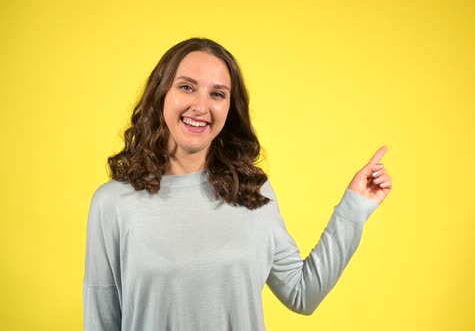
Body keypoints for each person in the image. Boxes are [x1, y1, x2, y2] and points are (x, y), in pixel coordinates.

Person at [83, 37, 391, 331]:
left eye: (217, 94)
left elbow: (302, 294)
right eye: (187, 87)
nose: (201, 107)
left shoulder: (251, 191)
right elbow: (101, 319)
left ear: (230, 108)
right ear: (161, 93)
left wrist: (354, 206)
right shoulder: (113, 203)